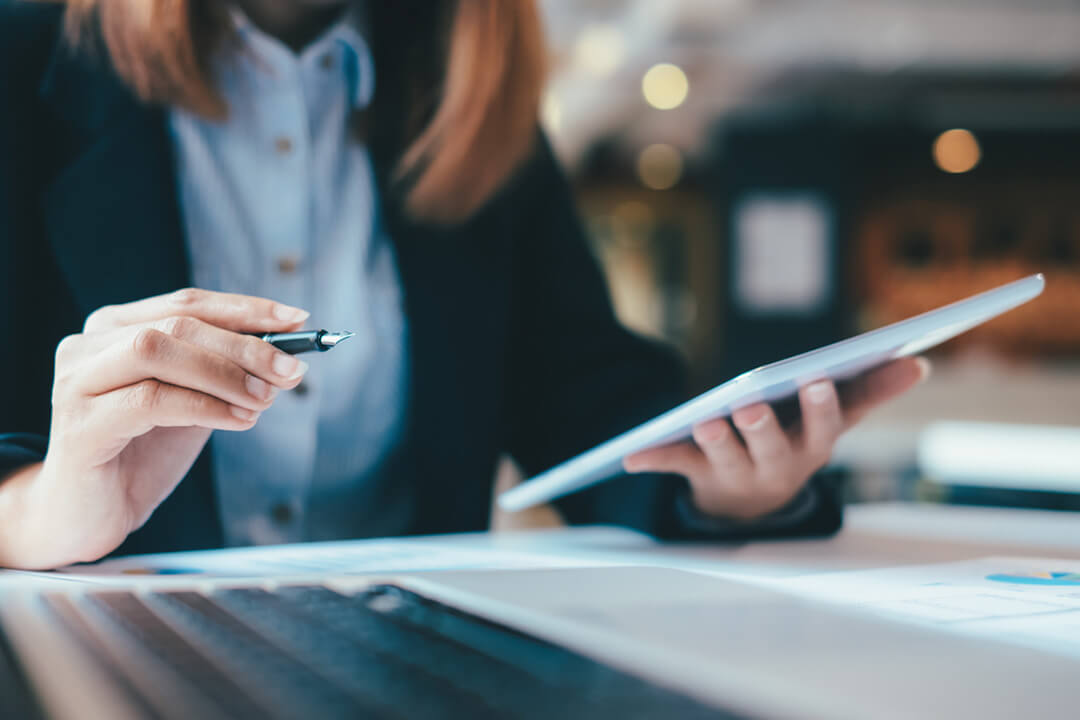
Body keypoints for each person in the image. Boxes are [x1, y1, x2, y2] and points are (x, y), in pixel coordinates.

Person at [0, 0, 927, 570]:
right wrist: (33, 513)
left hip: (415, 658)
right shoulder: (18, 66)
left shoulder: (469, 102)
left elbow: (584, 395)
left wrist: (726, 485)